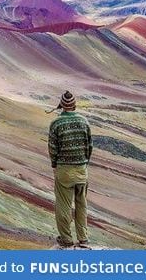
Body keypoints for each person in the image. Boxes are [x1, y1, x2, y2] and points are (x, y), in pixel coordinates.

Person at [48, 91, 93, 248]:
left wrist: (54, 166)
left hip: (64, 171)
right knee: (82, 204)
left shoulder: (56, 124)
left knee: (63, 205)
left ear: (61, 105)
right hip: (81, 169)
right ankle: (83, 238)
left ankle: (66, 239)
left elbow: (53, 148)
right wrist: (84, 163)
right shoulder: (84, 121)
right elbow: (89, 146)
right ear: (75, 105)